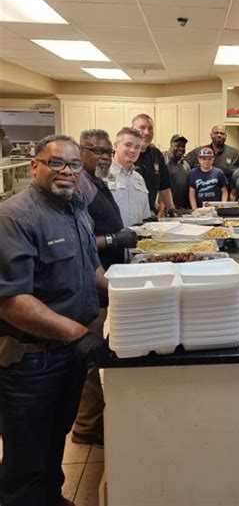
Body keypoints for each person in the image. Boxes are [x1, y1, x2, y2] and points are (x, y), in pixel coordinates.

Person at [0, 134, 109, 506]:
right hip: (32, 361)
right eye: (56, 163)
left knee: (53, 442)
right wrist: (79, 334)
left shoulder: (75, 208)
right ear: (35, 166)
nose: (66, 171)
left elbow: (90, 270)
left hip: (68, 354)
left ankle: (52, 498)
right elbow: (11, 300)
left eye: (74, 164)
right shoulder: (15, 216)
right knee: (26, 459)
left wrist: (128, 292)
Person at [71, 129, 137, 449]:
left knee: (100, 354)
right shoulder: (80, 186)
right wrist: (113, 239)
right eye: (96, 151)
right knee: (94, 356)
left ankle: (90, 420)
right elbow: (80, 241)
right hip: (92, 285)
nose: (103, 157)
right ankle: (86, 425)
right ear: (81, 151)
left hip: (107, 275)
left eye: (106, 152)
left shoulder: (97, 181)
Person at [131, 114, 177, 215]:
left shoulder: (156, 154)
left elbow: (164, 187)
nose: (147, 132)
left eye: (150, 128)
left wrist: (172, 211)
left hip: (149, 214)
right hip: (129, 215)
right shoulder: (126, 154)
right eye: (142, 128)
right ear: (132, 130)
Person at [107, 127, 151, 227]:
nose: (133, 150)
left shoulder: (139, 179)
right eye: (128, 145)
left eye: (137, 147)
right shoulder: (101, 175)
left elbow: (144, 216)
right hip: (109, 240)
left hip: (136, 239)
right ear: (115, 146)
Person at [163, 134, 191, 210]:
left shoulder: (186, 165)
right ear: (171, 145)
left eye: (183, 146)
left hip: (183, 208)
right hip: (165, 208)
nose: (181, 149)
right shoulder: (163, 160)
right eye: (178, 146)